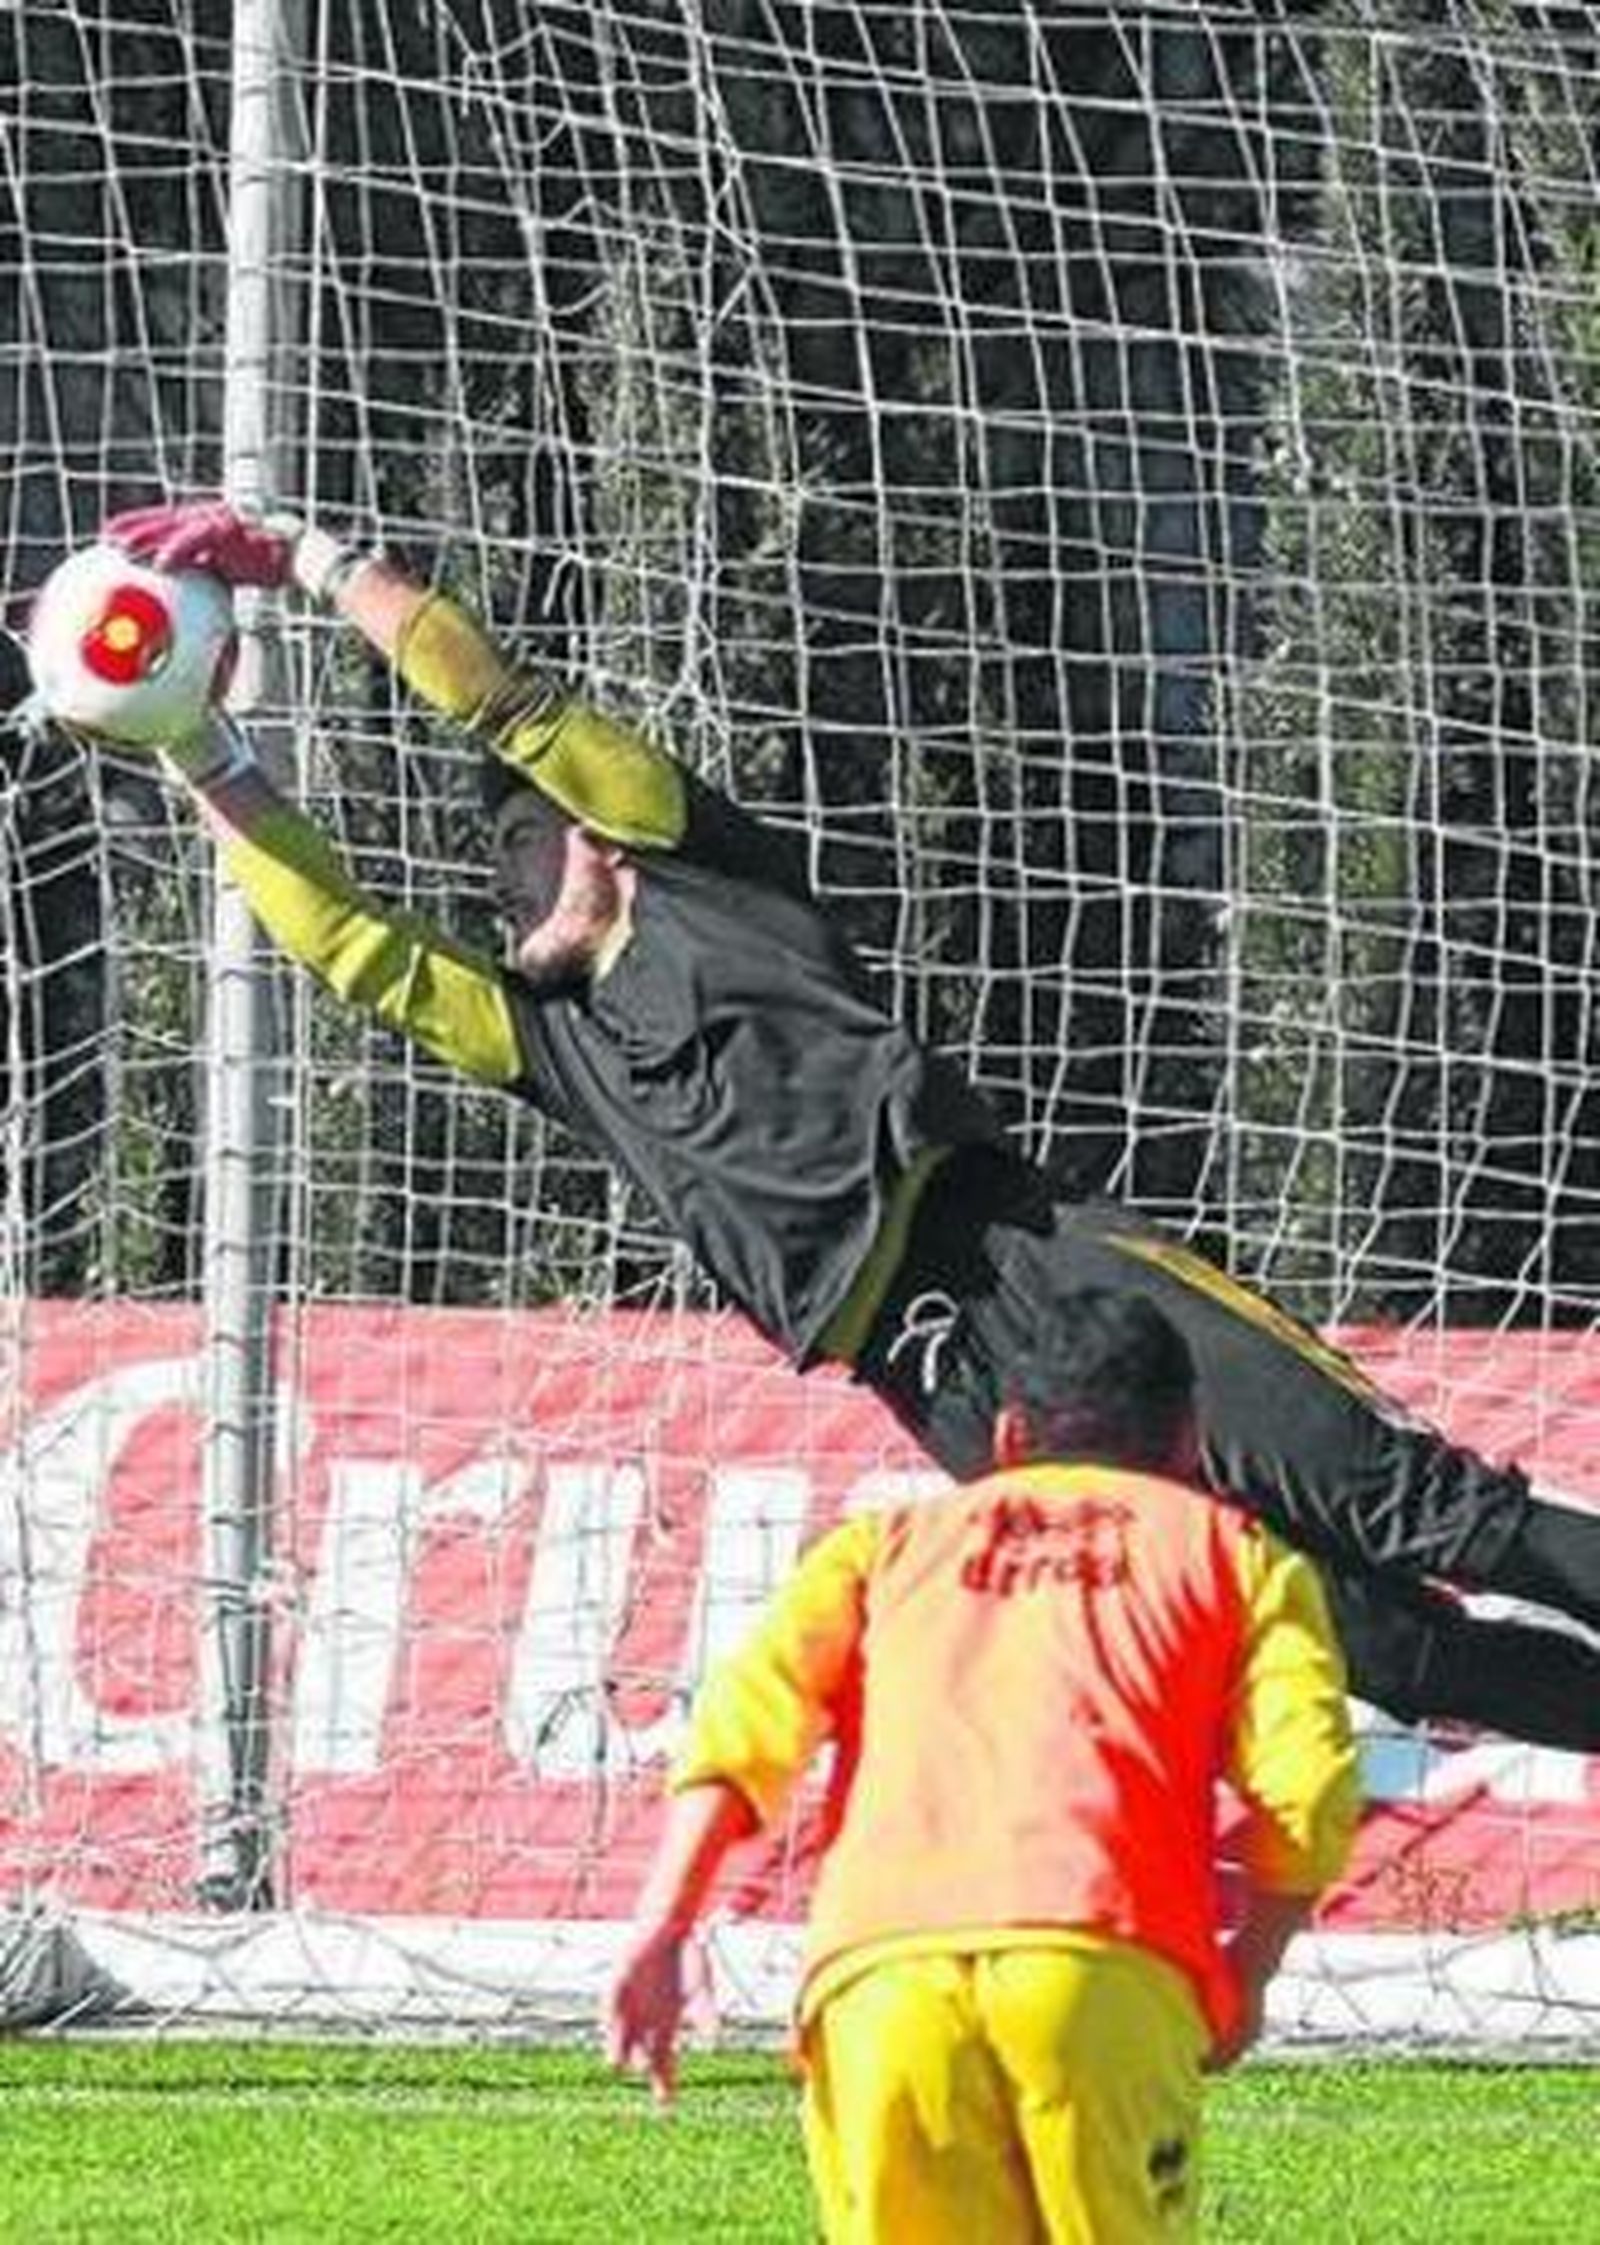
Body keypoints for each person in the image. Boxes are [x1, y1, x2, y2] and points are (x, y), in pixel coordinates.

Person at [87, 495, 1600, 1751]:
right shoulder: (552, 1046)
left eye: (531, 858)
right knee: (1374, 1650)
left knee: (1428, 1510)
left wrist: (304, 560)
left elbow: (510, 705)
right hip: (941, 1382)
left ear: (602, 847)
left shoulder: (709, 881)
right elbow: (352, 947)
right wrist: (192, 747)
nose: (508, 890)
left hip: (1040, 1262)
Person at [605, 1286, 1361, 2242]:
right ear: (1186, 1445)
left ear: (1007, 1437)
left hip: (880, 1979)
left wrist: (664, 1922)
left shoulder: (881, 1549)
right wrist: (1247, 1975)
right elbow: (1310, 1788)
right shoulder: (1236, 1556)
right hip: (1102, 1967)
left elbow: (743, 1723)